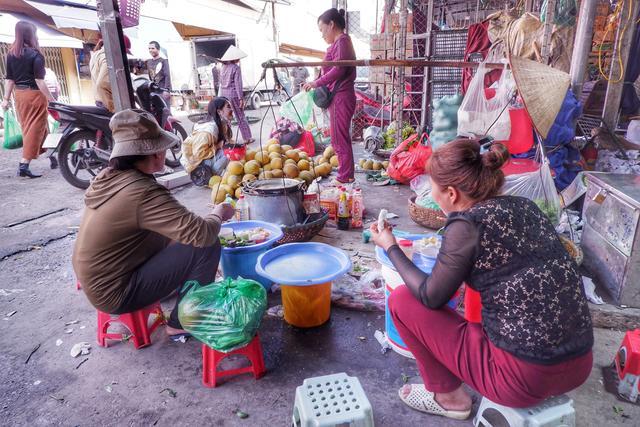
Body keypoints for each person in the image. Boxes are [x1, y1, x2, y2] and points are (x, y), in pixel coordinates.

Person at [369, 139, 593, 420]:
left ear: (451, 193)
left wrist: (390, 245)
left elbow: (430, 295)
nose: (431, 196)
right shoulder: (526, 207)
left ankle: (449, 398)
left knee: (403, 299)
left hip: (523, 379)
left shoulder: (466, 224)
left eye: (432, 189)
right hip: (580, 364)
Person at [72, 109, 235, 337]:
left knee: (181, 237)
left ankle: (171, 289)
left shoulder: (111, 176)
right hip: (115, 292)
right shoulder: (140, 191)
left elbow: (175, 228)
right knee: (207, 245)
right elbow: (203, 233)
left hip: (97, 280)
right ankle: (180, 323)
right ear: (155, 154)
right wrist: (218, 213)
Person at [303, 8, 356, 185]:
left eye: (322, 29)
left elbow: (339, 69)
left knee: (339, 139)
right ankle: (345, 174)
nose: (322, 34)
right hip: (339, 97)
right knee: (338, 138)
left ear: (331, 24)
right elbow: (330, 66)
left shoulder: (342, 41)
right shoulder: (338, 43)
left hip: (341, 96)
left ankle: (345, 177)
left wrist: (316, 83)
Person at [1, 20, 55, 178]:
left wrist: (5, 99)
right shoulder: (36, 54)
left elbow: (9, 79)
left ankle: (52, 156)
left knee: (41, 127)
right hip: (35, 95)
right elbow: (39, 81)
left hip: (20, 96)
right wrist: (51, 99)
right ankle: (24, 165)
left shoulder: (11, 54)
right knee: (34, 129)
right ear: (31, 35)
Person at [181, 97, 233, 180]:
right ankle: (210, 178)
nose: (232, 109)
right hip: (196, 166)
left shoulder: (221, 124)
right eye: (229, 107)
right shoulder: (208, 130)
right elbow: (198, 154)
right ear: (219, 112)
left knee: (232, 148)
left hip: (205, 160)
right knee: (229, 152)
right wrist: (217, 146)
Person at [219, 45, 254, 144]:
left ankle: (227, 138)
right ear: (234, 58)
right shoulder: (235, 68)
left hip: (224, 95)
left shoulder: (223, 68)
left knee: (226, 117)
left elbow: (220, 82)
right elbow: (238, 84)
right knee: (240, 117)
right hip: (234, 95)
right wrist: (241, 98)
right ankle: (247, 138)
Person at [90, 34, 132, 112]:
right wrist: (114, 109)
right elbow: (102, 84)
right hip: (108, 104)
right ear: (116, 46)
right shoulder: (107, 58)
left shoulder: (96, 54)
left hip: (100, 101)